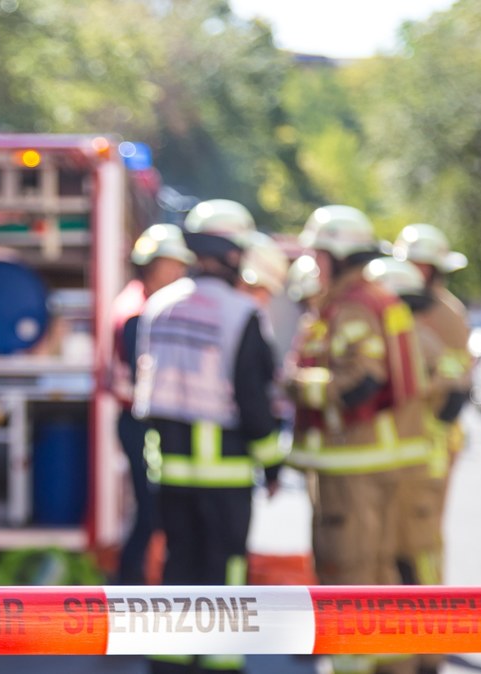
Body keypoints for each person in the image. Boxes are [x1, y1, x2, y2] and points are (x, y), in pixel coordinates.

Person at [134, 199, 283, 674]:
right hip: (226, 473)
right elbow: (253, 401)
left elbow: (145, 391)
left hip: (171, 471)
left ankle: (170, 659)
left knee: (179, 565)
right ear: (234, 253)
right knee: (225, 569)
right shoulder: (241, 313)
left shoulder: (158, 306)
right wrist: (273, 462)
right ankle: (219, 660)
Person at [286, 206, 429, 674]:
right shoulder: (368, 300)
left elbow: (362, 381)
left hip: (353, 465)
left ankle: (354, 664)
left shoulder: (354, 307)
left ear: (341, 256)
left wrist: (297, 383)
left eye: (320, 253)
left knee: (348, 571)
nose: (315, 262)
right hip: (367, 464)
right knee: (378, 571)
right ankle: (391, 662)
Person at [392, 224, 472, 674]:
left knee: (422, 545)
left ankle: (429, 644)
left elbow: (454, 388)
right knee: (408, 545)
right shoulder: (410, 304)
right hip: (414, 445)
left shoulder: (444, 314)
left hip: (432, 446)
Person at [107, 223, 194, 585]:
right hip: (139, 421)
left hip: (139, 418)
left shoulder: (139, 302)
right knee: (151, 511)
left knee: (151, 509)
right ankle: (129, 590)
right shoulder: (140, 312)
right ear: (150, 266)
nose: (178, 274)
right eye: (170, 265)